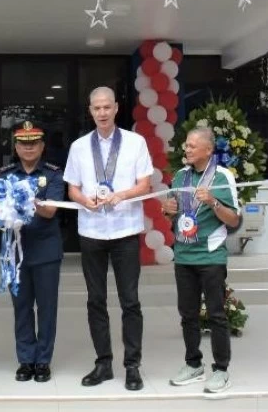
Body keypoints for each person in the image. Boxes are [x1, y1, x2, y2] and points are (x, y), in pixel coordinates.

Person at [64, 86, 153, 391]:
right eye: (96, 108)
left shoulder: (135, 142)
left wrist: (121, 195)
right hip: (91, 231)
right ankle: (103, 363)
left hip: (125, 230)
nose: (102, 113)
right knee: (95, 300)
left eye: (106, 107)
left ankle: (132, 365)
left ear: (116, 108)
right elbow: (72, 188)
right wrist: (84, 200)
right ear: (90, 111)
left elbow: (145, 184)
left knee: (130, 300)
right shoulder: (78, 147)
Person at [161, 127, 242, 394]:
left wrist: (213, 202)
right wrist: (166, 210)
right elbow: (173, 216)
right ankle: (193, 364)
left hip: (211, 255)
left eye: (192, 146)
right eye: (186, 145)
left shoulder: (222, 176)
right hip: (183, 256)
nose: (187, 149)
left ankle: (221, 369)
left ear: (208, 150)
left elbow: (234, 220)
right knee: (187, 314)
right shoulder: (180, 176)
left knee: (216, 314)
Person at [0, 122, 65, 383]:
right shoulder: (5, 174)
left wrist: (27, 200)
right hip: (15, 252)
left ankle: (43, 361)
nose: (28, 148)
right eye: (23, 143)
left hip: (46, 251)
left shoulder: (53, 174)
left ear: (42, 146)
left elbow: (50, 211)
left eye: (33, 143)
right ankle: (26, 360)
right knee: (22, 308)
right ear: (16, 147)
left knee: (47, 308)